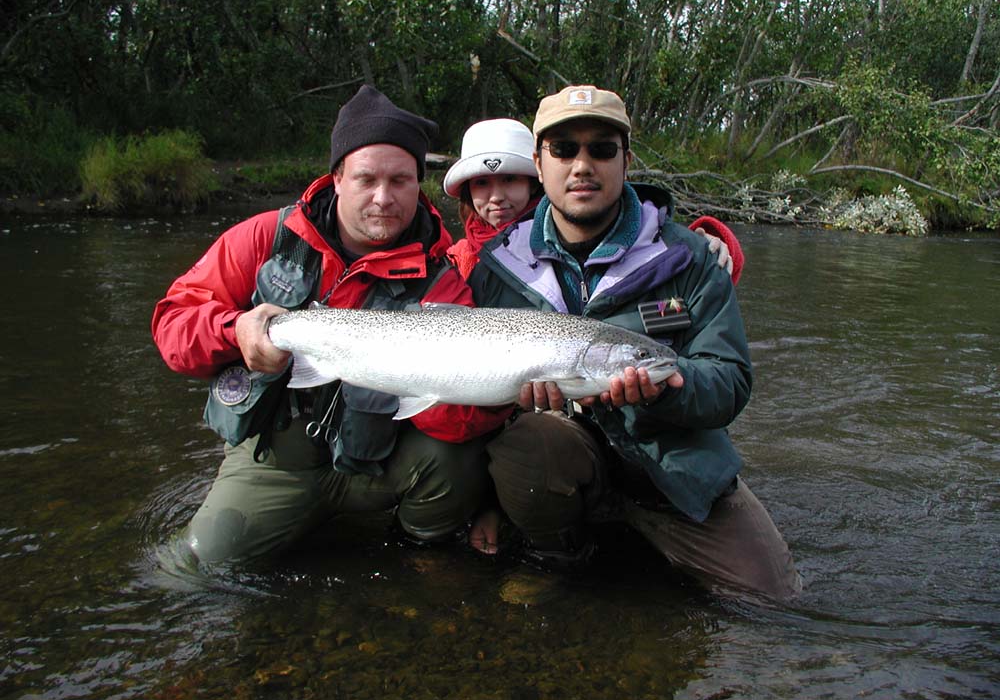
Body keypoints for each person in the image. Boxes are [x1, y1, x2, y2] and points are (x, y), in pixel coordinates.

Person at [466, 85, 800, 601]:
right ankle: (558, 554)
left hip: (671, 467)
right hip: (564, 459)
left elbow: (730, 382)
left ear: (626, 159)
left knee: (773, 600)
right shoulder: (498, 267)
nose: (582, 165)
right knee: (530, 440)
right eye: (564, 150)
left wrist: (664, 390)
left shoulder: (689, 256)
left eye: (601, 149)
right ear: (539, 162)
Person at [151, 85, 508, 564]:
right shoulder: (264, 237)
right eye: (367, 179)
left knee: (457, 463)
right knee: (196, 566)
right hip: (275, 463)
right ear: (337, 178)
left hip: (378, 460)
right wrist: (236, 330)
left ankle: (417, 556)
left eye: (401, 181)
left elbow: (455, 423)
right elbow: (173, 326)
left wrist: (501, 389)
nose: (384, 198)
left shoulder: (441, 276)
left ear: (418, 186)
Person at [442, 118, 744, 282]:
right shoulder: (453, 259)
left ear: (536, 180)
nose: (496, 197)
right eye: (481, 183)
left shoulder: (573, 234)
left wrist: (713, 247)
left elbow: (656, 254)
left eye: (510, 180)